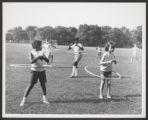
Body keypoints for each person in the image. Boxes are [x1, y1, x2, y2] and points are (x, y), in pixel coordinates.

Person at [20, 40, 50, 106]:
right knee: (31, 85)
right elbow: (31, 61)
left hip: (42, 70)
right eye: (40, 45)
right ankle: (24, 100)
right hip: (34, 71)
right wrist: (38, 57)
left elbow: (47, 60)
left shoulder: (42, 52)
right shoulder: (31, 52)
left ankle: (45, 99)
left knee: (43, 85)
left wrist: (44, 58)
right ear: (36, 46)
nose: (41, 46)